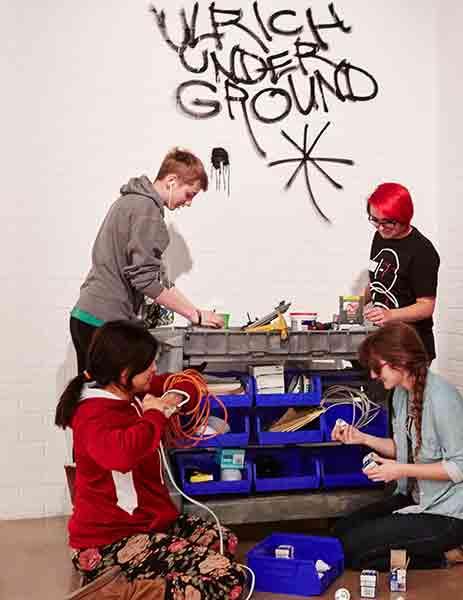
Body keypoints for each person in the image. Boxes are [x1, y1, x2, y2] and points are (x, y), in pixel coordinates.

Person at [55, 320, 248, 599]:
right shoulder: (91, 414)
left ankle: (137, 583)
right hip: (110, 541)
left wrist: (169, 399)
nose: (154, 369)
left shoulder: (132, 392)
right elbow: (122, 456)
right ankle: (118, 593)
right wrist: (155, 414)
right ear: (124, 372)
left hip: (150, 523)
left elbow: (186, 382)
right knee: (230, 580)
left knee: (223, 541)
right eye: (148, 364)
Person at [331, 322, 463, 570]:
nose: (373, 375)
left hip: (448, 516)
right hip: (415, 499)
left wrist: (399, 470)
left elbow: (460, 468)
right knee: (341, 532)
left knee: (354, 554)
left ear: (400, 361)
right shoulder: (400, 393)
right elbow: (404, 450)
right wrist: (362, 438)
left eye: (377, 367)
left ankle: (446, 554)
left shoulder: (443, 398)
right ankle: (418, 546)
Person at [70, 147, 224, 374]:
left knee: (92, 392)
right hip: (102, 323)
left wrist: (196, 311)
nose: (188, 203)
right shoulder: (147, 210)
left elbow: (158, 279)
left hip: (89, 316)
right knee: (109, 394)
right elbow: (145, 281)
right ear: (172, 181)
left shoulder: (131, 202)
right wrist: (194, 315)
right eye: (189, 194)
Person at [363, 183, 440, 361]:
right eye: (375, 220)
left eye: (388, 222)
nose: (380, 228)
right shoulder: (380, 236)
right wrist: (355, 304)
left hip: (411, 347)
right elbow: (377, 280)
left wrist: (389, 315)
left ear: (405, 217)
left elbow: (426, 306)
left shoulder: (422, 251)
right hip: (384, 341)